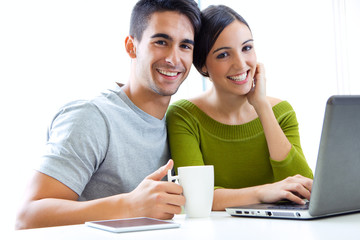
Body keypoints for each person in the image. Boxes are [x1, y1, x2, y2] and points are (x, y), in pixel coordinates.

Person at [15, 0, 201, 229]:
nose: (174, 58)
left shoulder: (179, 124)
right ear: (131, 46)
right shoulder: (91, 117)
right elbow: (27, 216)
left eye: (185, 46)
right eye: (161, 42)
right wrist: (130, 205)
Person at [166, 5, 313, 211]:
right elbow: (197, 196)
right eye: (223, 55)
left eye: (246, 48)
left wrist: (262, 107)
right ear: (203, 66)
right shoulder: (184, 115)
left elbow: (305, 188)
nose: (241, 64)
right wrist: (263, 192)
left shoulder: (281, 111)